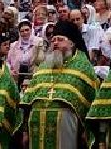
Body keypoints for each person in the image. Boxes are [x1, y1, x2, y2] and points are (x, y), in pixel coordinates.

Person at [23, 18, 101, 149]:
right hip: (37, 125)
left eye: (60, 40)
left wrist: (86, 131)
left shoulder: (83, 66)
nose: (55, 43)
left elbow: (91, 102)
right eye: (53, 40)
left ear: (72, 43)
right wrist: (25, 130)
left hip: (66, 124)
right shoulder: (44, 67)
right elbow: (27, 101)